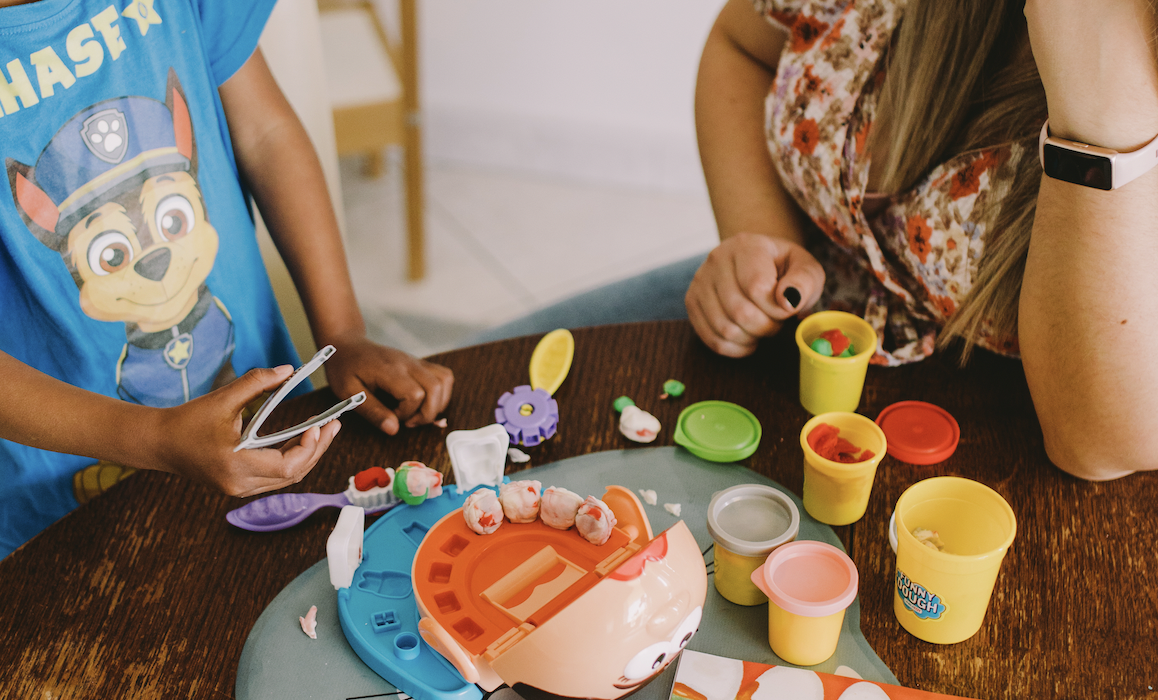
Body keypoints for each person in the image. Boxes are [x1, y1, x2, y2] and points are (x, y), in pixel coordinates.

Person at [485, 0, 1158, 482]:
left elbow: (1095, 445)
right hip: (812, 307)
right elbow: (740, 46)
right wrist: (761, 238)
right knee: (484, 387)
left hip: (1009, 439)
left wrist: (1100, 124)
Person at [0, 0, 453, 558]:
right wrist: (158, 440)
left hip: (262, 439)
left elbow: (267, 134)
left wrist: (343, 332)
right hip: (63, 518)